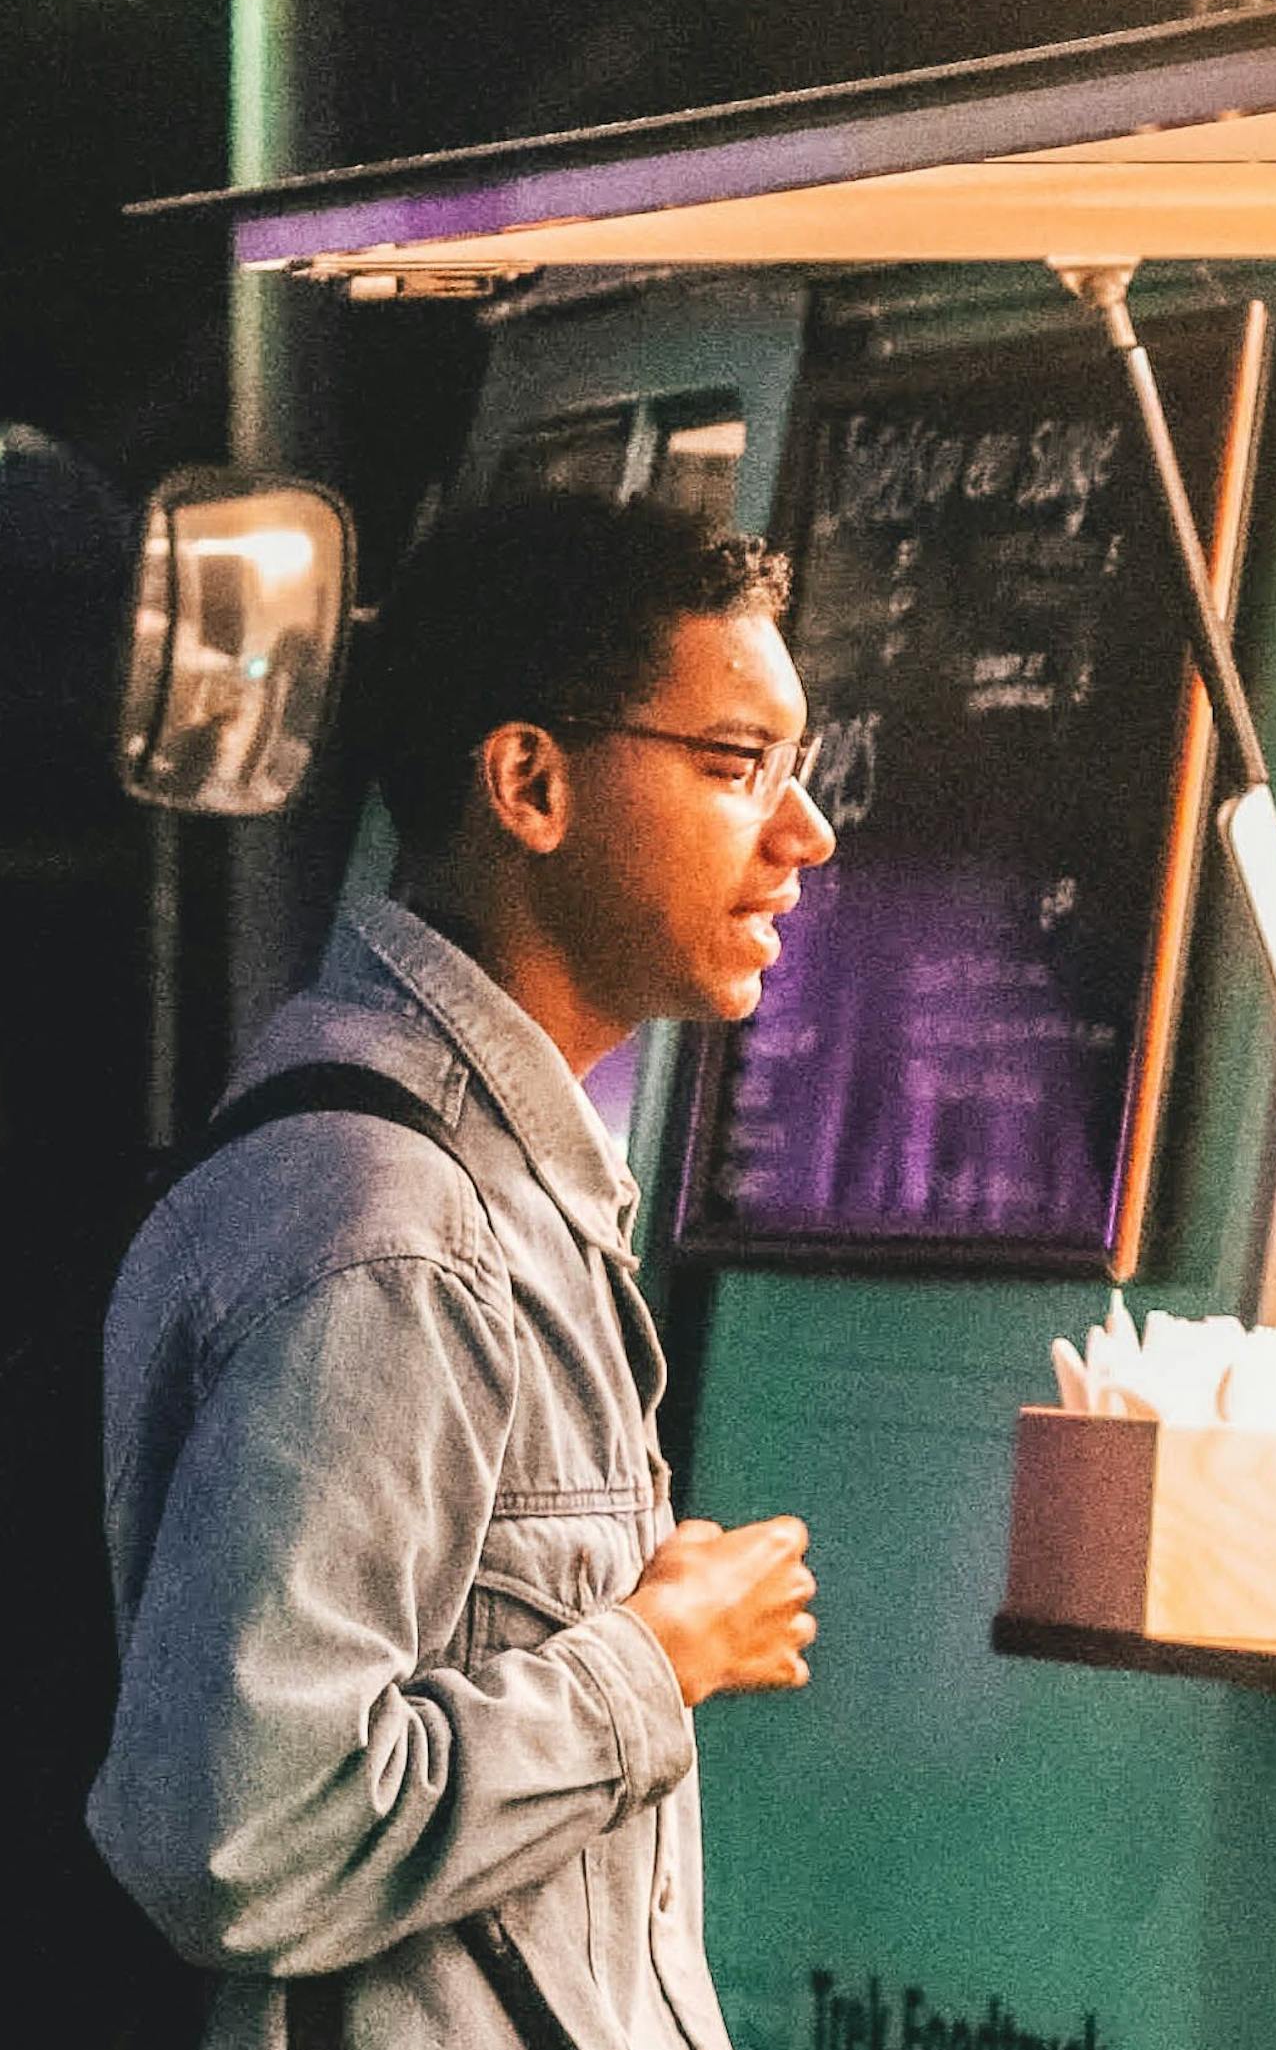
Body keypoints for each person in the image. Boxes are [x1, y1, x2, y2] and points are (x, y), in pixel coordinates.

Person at [90, 494, 839, 2048]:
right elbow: (243, 1833)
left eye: (798, 767)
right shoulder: (393, 1231)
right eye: (735, 763)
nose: (803, 831)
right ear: (530, 780)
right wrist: (654, 1657)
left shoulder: (471, 1186)